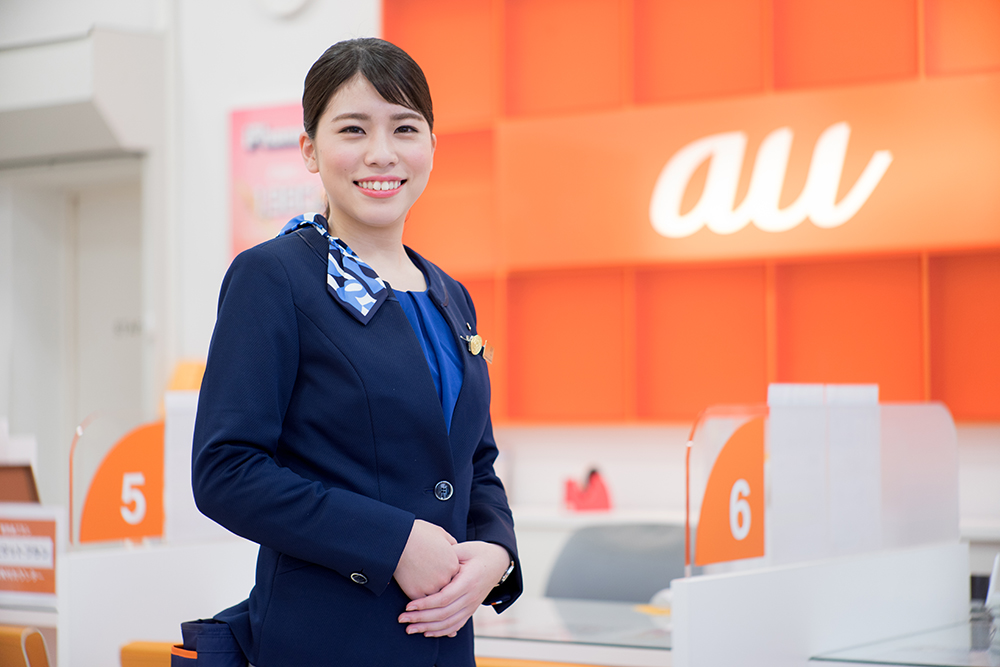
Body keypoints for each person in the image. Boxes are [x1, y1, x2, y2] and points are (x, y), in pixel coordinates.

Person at [191, 37, 521, 666]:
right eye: (353, 129)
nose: (382, 153)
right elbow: (225, 470)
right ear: (309, 150)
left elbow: (474, 464)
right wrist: (392, 543)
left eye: (405, 128)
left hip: (444, 642)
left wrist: (496, 552)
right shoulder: (275, 277)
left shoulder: (449, 295)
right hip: (327, 641)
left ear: (431, 147)